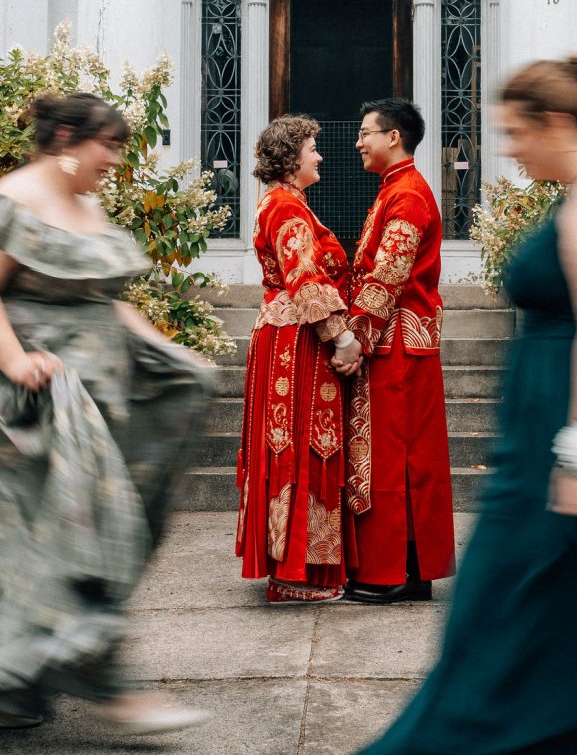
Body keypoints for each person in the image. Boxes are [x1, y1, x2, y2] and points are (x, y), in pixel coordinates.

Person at [357, 57, 577, 754]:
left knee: (508, 615)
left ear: (555, 121)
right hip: (542, 433)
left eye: (515, 130)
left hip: (572, 434)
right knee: (548, 620)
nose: (508, 148)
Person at [0, 93, 211, 735]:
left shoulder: (87, 205)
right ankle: (111, 686)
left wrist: (169, 352)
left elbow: (103, 297)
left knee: (63, 543)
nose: (117, 161)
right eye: (110, 146)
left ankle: (17, 687)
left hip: (104, 396)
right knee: (74, 543)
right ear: (67, 137)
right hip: (39, 407)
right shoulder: (14, 200)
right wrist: (14, 362)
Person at [235, 115, 361, 604]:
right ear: (290, 157)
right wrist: (341, 335)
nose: (320, 156)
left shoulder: (286, 203)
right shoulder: (286, 207)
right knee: (302, 443)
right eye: (312, 148)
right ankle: (295, 574)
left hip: (289, 335)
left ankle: (300, 567)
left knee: (305, 443)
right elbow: (304, 276)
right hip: (296, 342)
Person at [341, 99, 455, 605]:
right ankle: (405, 568)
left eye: (366, 132)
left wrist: (353, 340)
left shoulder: (407, 195)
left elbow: (387, 276)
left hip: (398, 345)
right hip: (401, 340)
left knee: (395, 458)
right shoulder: (396, 190)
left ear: (394, 137)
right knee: (399, 456)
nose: (358, 141)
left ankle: (395, 573)